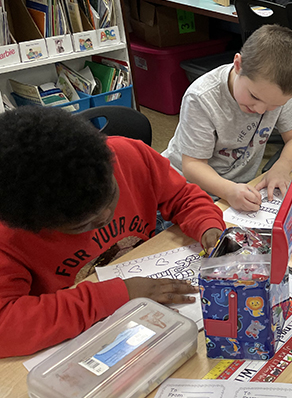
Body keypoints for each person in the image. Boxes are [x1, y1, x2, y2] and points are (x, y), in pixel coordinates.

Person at [0, 106, 226, 358]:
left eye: (111, 196)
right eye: (82, 225)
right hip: (87, 333)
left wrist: (208, 225)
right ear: (35, 225)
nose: (106, 216)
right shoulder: (9, 234)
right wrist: (119, 294)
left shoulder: (125, 155)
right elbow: (5, 327)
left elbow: (183, 195)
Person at [162, 25, 292, 212]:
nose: (261, 109)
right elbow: (192, 165)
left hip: (232, 192)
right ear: (238, 65)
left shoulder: (275, 92)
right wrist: (229, 191)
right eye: (254, 97)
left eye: (275, 106)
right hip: (182, 192)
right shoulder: (201, 97)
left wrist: (280, 168)